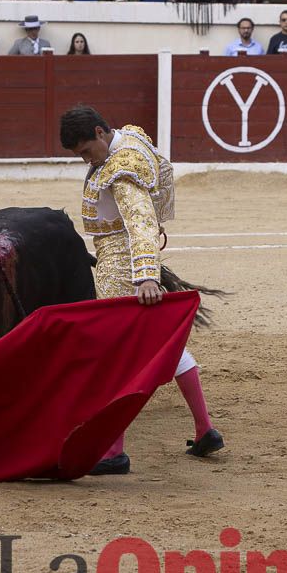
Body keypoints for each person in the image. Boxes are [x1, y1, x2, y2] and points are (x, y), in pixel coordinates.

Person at [58, 105, 224, 475]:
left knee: (115, 357)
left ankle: (114, 451)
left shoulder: (122, 169)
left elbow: (142, 221)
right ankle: (205, 429)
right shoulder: (131, 138)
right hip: (125, 257)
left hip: (122, 266)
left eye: (87, 151)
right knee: (170, 345)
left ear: (101, 132)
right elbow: (160, 178)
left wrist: (147, 274)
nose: (86, 160)